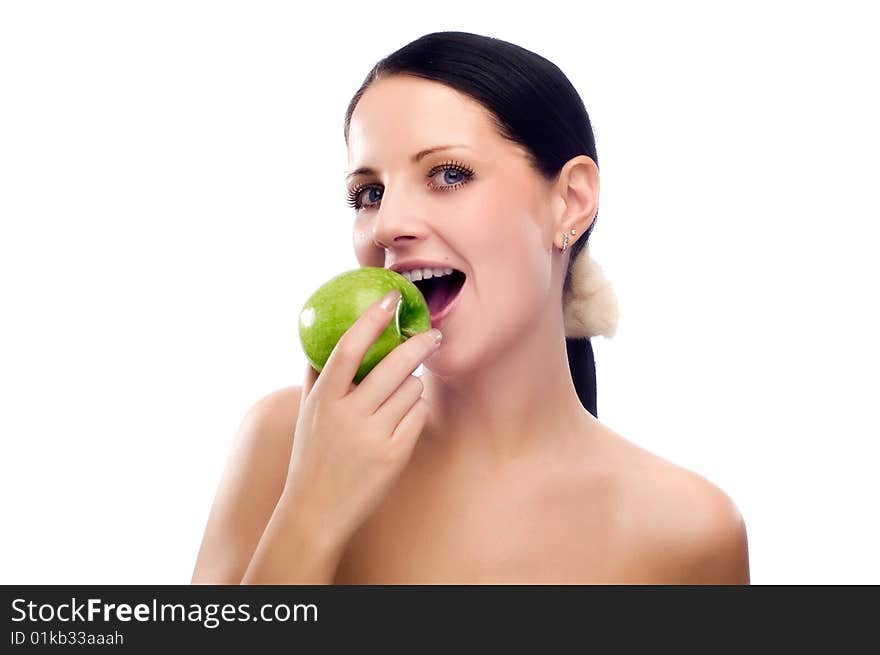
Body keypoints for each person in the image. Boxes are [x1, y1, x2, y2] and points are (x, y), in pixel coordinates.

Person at [191, 31, 750, 584]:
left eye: (448, 175)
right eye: (370, 193)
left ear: (570, 201)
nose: (388, 225)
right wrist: (310, 511)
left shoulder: (689, 530)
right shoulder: (285, 440)